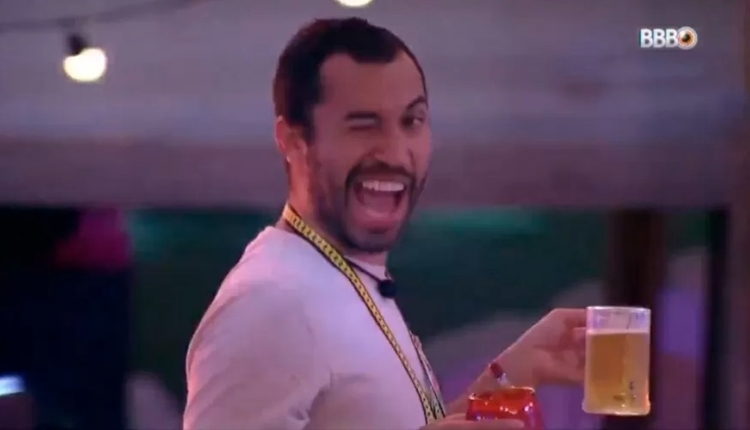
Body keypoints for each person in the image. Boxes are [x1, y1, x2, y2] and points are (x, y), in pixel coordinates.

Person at [183, 18, 585, 430]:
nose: (395, 152)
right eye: (364, 125)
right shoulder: (269, 302)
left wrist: (510, 375)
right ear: (293, 141)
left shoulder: (339, 276)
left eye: (412, 121)